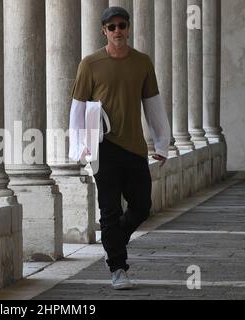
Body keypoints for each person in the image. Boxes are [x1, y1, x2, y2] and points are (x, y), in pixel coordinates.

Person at [69, 7, 171, 290]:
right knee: (109, 210)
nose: (117, 31)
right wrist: (79, 147)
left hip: (135, 147)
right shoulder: (90, 64)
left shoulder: (142, 62)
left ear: (128, 28)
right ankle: (118, 267)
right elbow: (77, 109)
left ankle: (113, 242)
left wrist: (161, 143)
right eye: (111, 27)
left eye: (121, 25)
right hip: (103, 148)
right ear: (104, 31)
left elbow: (153, 104)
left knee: (141, 207)